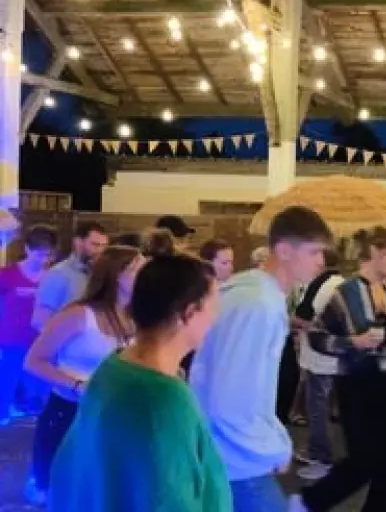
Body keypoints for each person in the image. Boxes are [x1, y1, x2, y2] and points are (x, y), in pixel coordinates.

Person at [48, 253, 231, 511]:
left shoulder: (115, 367)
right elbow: (169, 500)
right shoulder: (163, 399)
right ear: (188, 313)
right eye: (213, 308)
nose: (215, 319)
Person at [189, 206, 330, 512]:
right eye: (314, 251)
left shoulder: (256, 294)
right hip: (236, 460)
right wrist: (272, 449)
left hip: (227, 454)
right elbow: (229, 399)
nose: (321, 261)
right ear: (284, 250)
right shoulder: (257, 305)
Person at [290, 226, 386, 512]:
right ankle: (309, 501)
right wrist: (352, 342)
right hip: (357, 383)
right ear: (374, 252)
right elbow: (317, 335)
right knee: (365, 457)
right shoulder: (345, 292)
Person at [23, 244, 142, 505]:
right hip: (69, 412)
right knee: (64, 492)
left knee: (103, 493)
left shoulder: (136, 317)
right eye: (137, 269)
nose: (144, 274)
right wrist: (77, 385)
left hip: (114, 415)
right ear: (116, 275)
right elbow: (33, 361)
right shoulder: (79, 314)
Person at [294, 249, 345, 480]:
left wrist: (284, 319)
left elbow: (302, 317)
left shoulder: (320, 284)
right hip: (340, 354)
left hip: (320, 356)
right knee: (334, 404)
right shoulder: (343, 283)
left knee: (317, 406)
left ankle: (319, 453)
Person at [0, 224, 57, 423]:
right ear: (27, 249)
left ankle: (34, 413)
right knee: (8, 376)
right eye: (39, 254)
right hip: (13, 336)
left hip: (42, 336)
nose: (43, 260)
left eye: (48, 255)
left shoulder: (54, 277)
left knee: (39, 380)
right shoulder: (7, 274)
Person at [31, 220, 109, 331]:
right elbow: (40, 322)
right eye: (95, 245)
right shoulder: (58, 275)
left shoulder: (102, 275)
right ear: (78, 243)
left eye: (104, 246)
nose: (100, 251)